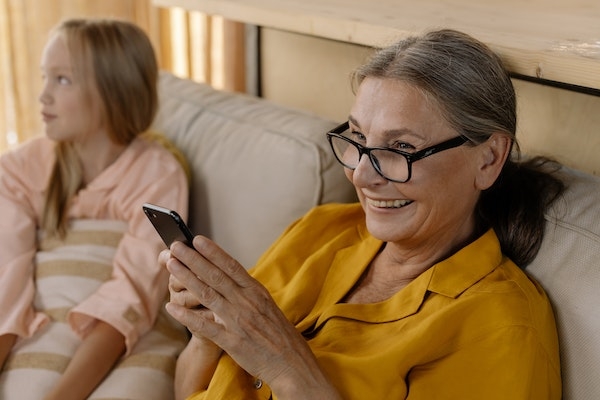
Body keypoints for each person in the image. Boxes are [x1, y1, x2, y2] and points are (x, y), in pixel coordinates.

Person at [162, 29, 565, 399]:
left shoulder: (500, 326)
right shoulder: (319, 229)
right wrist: (211, 331)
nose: (361, 174)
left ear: (489, 159)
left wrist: (285, 366)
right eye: (357, 138)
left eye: (402, 147)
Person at [0, 18, 189, 399]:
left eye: (63, 80)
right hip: (41, 327)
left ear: (113, 92)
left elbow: (131, 295)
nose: (43, 96)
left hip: (126, 337)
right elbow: (6, 280)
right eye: (44, 77)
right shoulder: (17, 171)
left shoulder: (158, 174)